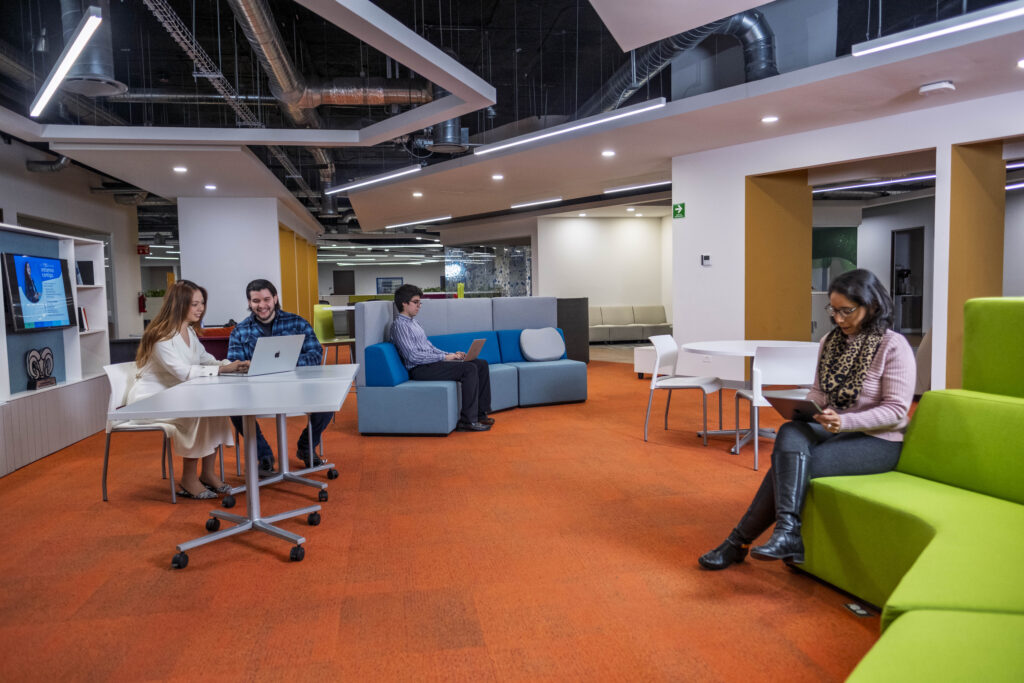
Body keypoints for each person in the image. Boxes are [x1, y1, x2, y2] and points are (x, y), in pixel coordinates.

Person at [699, 268, 916, 570]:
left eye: (846, 311)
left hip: (878, 441)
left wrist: (846, 422)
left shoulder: (893, 346)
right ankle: (787, 532)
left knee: (792, 465)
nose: (838, 319)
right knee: (791, 430)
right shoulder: (830, 341)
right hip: (834, 428)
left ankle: (738, 543)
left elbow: (895, 411)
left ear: (872, 306)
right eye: (833, 310)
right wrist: (806, 407)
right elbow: (819, 392)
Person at [127, 280, 249, 499]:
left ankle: (208, 473)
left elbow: (206, 360)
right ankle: (188, 479)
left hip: (176, 395)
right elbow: (182, 372)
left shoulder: (189, 332)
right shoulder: (161, 336)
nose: (200, 308)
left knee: (215, 410)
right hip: (152, 399)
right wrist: (222, 370)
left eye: (202, 303)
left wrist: (233, 365)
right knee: (197, 413)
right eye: (194, 304)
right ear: (179, 304)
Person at [227, 278, 330, 474]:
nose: (262, 305)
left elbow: (315, 354)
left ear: (275, 298)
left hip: (296, 387)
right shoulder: (240, 331)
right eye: (256, 301)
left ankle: (306, 446)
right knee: (235, 409)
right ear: (249, 303)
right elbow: (235, 363)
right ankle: (264, 455)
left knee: (329, 401)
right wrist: (249, 367)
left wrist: (287, 364)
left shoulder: (297, 323)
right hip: (257, 391)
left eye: (266, 299)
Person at [390, 284, 494, 432]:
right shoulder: (399, 325)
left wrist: (452, 355)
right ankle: (467, 421)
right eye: (415, 302)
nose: (419, 306)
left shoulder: (415, 323)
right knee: (469, 369)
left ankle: (480, 414)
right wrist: (443, 357)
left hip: (430, 364)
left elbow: (429, 347)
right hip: (419, 369)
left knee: (481, 364)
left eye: (420, 302)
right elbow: (412, 356)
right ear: (404, 303)